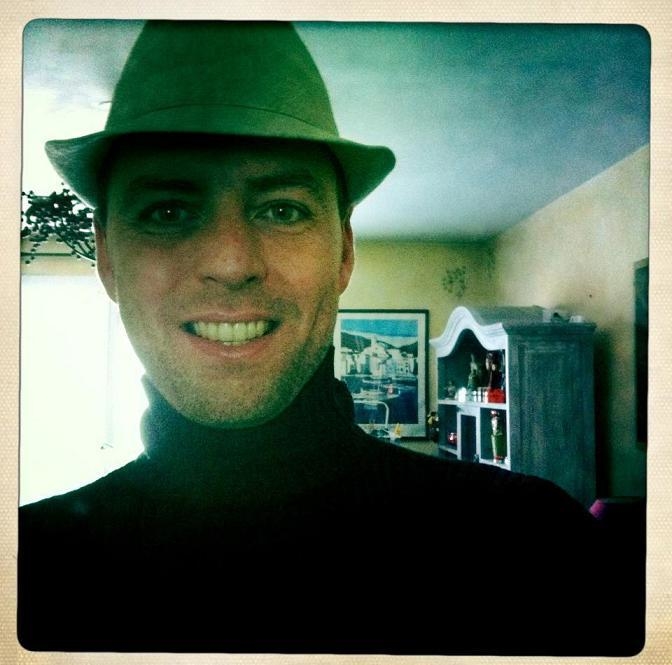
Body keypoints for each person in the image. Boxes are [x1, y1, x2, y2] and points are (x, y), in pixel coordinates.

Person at [18, 20, 643, 656]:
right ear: (107, 259)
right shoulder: (28, 572)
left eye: (282, 209)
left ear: (344, 252)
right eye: (168, 211)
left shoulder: (533, 546)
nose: (232, 263)